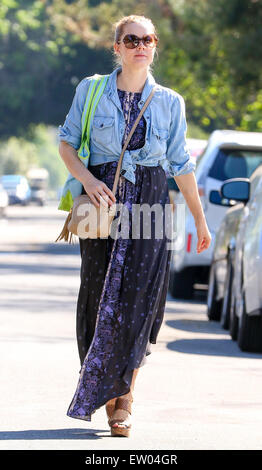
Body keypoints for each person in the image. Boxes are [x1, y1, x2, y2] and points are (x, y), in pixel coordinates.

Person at [58, 14, 211, 437]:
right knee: (98, 296)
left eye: (149, 39)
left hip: (150, 205)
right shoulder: (90, 91)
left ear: (154, 46)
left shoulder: (170, 102)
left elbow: (181, 164)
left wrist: (199, 221)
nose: (141, 45)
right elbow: (67, 142)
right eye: (132, 39)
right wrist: (88, 181)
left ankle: (124, 398)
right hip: (102, 203)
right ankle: (104, 388)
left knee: (141, 303)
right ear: (117, 47)